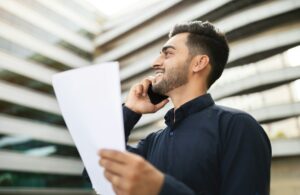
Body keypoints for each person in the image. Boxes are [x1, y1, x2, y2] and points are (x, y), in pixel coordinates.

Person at [87, 21, 271, 195]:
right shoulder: (153, 142)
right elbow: (94, 171)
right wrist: (129, 111)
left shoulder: (238, 127)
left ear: (199, 63)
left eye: (168, 54)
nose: (155, 63)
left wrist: (160, 188)